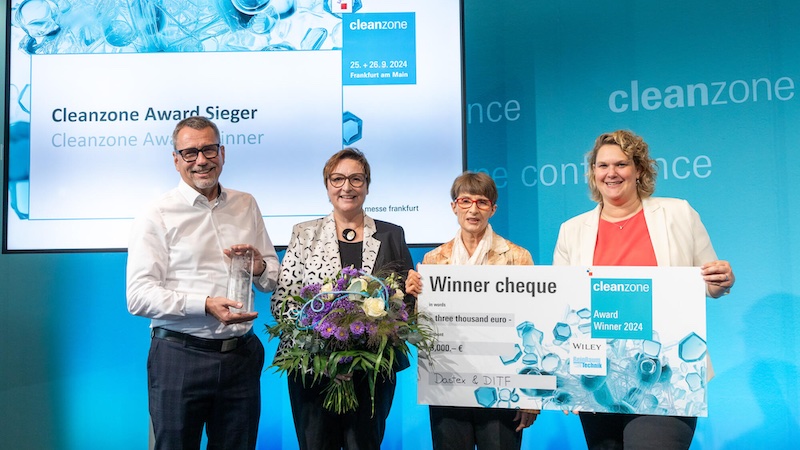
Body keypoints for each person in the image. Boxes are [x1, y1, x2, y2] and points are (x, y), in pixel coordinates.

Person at [553, 130, 735, 450]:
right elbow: (565, 309)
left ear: (639, 169)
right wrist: (569, 380)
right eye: (602, 165)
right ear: (593, 172)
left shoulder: (678, 213)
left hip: (667, 373)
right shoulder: (571, 231)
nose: (611, 173)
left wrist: (721, 280)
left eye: (621, 164)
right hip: (599, 378)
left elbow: (709, 283)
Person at [126, 116, 279, 450]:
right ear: (176, 160)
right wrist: (205, 304)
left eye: (208, 149)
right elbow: (138, 296)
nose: (201, 160)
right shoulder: (157, 213)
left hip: (240, 356)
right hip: (180, 356)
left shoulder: (246, 203)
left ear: (222, 152)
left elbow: (271, 278)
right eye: (190, 152)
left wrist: (258, 267)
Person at [270, 147, 414, 450]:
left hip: (371, 368)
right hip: (313, 367)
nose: (346, 187)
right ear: (327, 185)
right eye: (337, 179)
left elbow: (402, 304)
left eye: (356, 179)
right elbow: (284, 301)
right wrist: (324, 346)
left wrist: (413, 292)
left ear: (367, 185)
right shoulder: (304, 233)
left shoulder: (391, 235)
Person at [406, 171, 539, 450]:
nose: (473, 209)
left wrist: (531, 396)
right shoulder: (433, 260)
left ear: (493, 208)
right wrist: (413, 297)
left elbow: (532, 324)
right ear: (454, 207)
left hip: (503, 385)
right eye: (465, 201)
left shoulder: (517, 257)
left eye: (482, 202)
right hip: (448, 383)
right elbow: (422, 332)